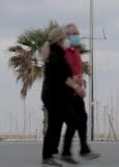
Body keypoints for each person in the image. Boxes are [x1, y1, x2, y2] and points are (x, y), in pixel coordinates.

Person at [41, 27, 85, 167]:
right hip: (54, 97)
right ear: (60, 40)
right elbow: (63, 78)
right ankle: (48, 156)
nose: (68, 39)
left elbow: (64, 76)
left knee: (66, 123)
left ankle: (58, 154)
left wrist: (76, 81)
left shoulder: (58, 53)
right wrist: (77, 87)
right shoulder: (55, 56)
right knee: (56, 125)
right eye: (66, 37)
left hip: (58, 96)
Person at [61, 23, 100, 163]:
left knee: (82, 119)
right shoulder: (63, 53)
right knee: (73, 122)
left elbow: (76, 70)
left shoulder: (76, 50)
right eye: (74, 33)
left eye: (78, 33)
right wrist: (75, 83)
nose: (78, 35)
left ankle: (83, 149)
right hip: (67, 94)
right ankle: (67, 152)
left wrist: (81, 80)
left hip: (77, 93)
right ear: (67, 36)